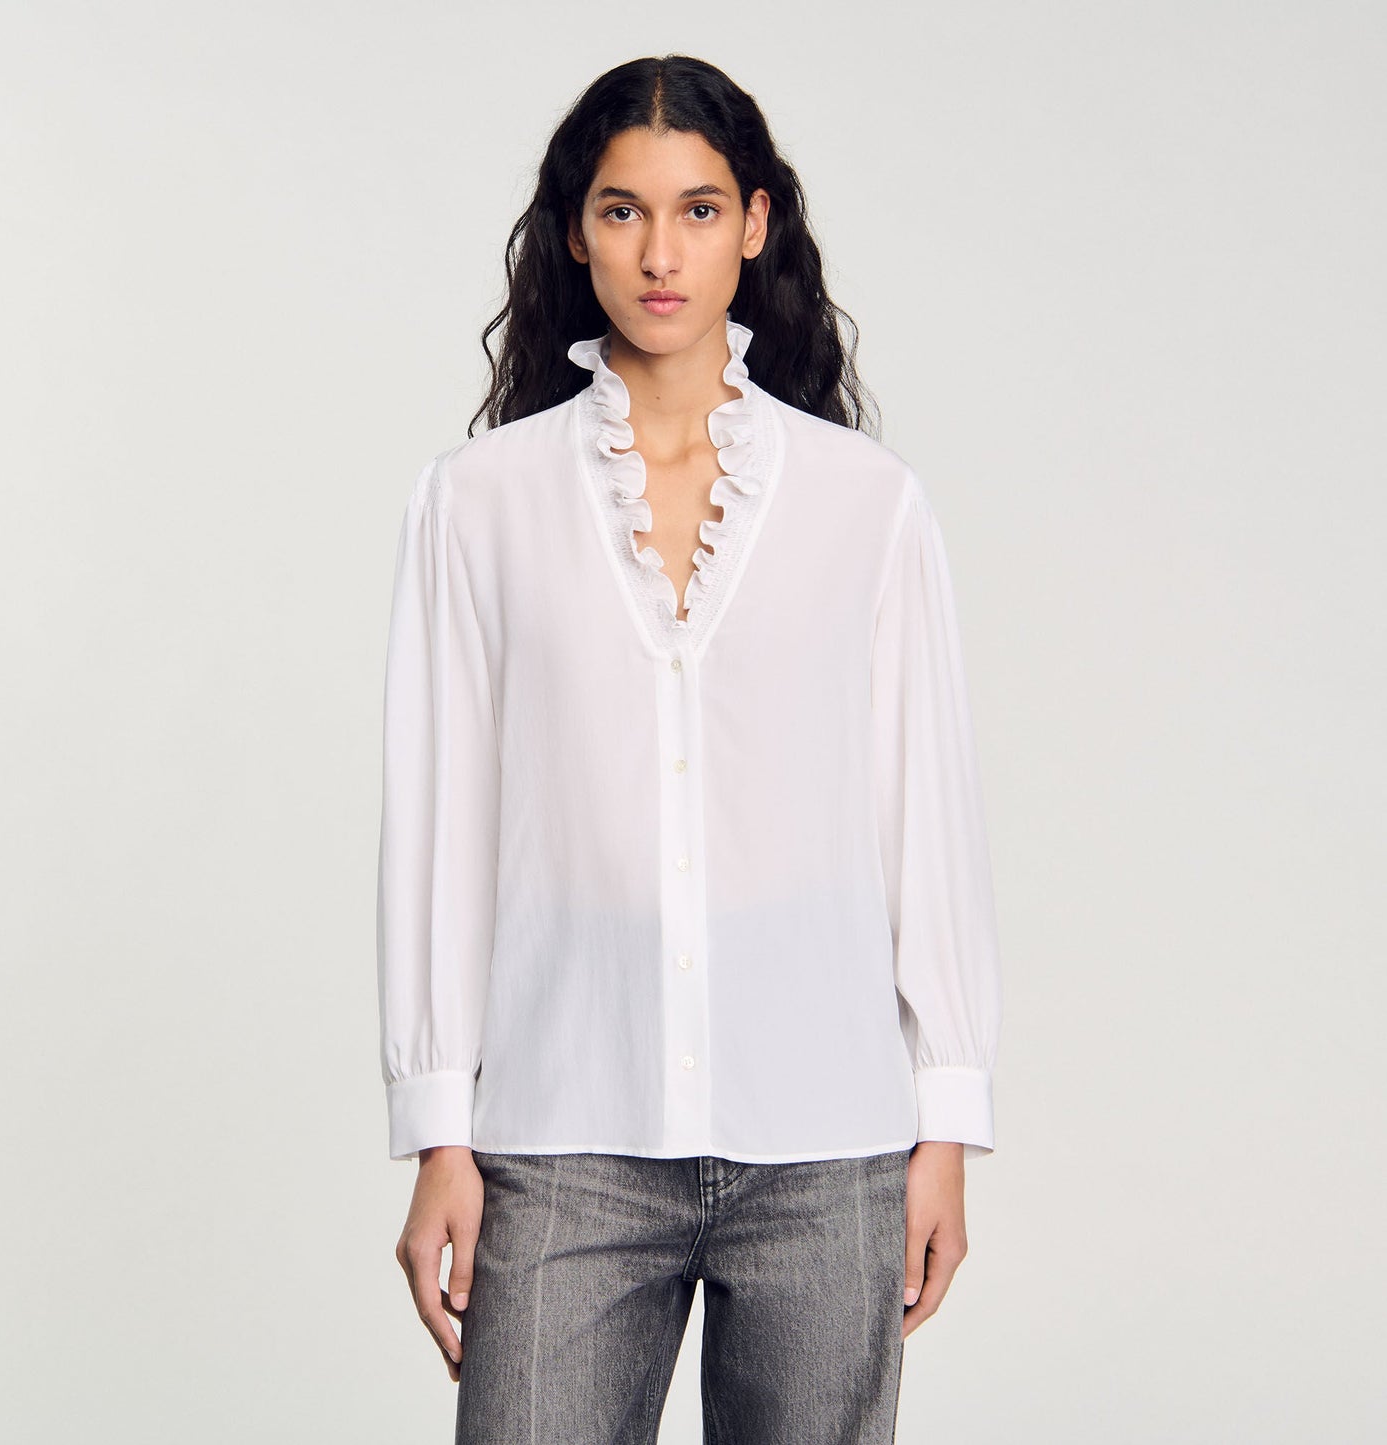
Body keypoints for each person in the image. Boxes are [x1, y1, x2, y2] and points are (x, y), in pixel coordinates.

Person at [375, 53, 1004, 1444]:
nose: (661, 254)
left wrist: (947, 1121)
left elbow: (923, 817)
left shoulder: (867, 504)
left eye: (699, 210)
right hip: (560, 1135)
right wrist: (437, 1130)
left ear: (756, 225)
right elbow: (440, 824)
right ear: (573, 230)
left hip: (825, 1140)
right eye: (622, 211)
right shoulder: (477, 504)